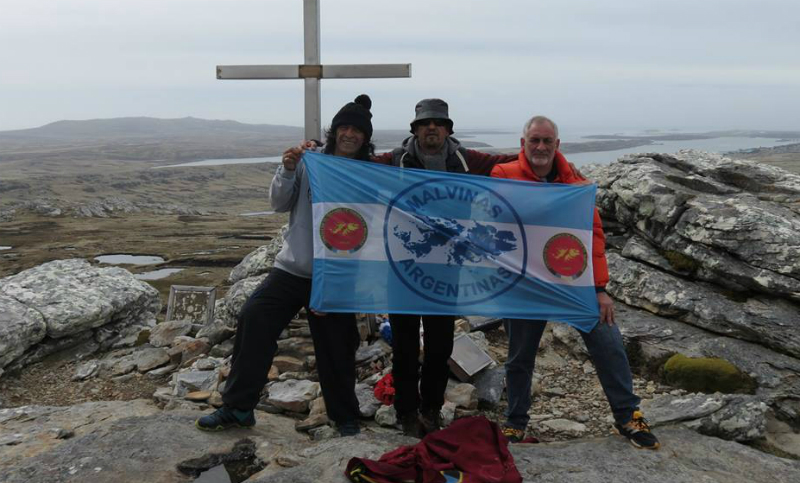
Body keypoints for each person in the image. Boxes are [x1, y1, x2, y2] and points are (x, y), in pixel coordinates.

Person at [195, 95, 376, 437]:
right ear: (335, 131)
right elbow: (279, 203)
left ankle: (344, 417)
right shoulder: (310, 161)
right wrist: (288, 169)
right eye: (344, 127)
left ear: (365, 138)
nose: (350, 134)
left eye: (357, 130)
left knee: (338, 344)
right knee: (255, 318)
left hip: (338, 274)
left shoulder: (366, 173)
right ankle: (238, 407)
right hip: (294, 268)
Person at [490, 115, 660, 450]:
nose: (540, 147)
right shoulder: (503, 175)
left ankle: (628, 415)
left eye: (547, 141)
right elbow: (498, 220)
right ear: (523, 143)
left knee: (607, 341)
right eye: (534, 140)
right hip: (526, 283)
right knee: (520, 356)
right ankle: (515, 422)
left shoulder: (576, 184)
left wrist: (600, 289)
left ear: (557, 145)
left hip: (573, 280)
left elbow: (594, 236)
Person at [372, 99, 516, 437]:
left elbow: (509, 165)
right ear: (415, 129)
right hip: (403, 270)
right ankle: (406, 413)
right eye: (425, 123)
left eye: (438, 122)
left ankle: (431, 410)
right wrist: (316, 156)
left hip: (446, 271)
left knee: (439, 348)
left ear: (448, 129)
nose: (431, 128)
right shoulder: (395, 160)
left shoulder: (467, 160)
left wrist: (556, 164)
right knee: (405, 349)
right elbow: (353, 166)